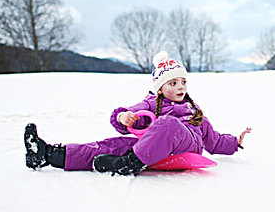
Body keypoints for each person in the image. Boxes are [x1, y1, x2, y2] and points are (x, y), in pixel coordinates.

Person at [24, 51, 252, 175]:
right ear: (160, 88)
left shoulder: (193, 112)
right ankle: (47, 155)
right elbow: (128, 113)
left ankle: (126, 164)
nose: (180, 87)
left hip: (186, 145)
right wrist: (124, 117)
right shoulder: (151, 103)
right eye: (172, 83)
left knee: (167, 125)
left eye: (182, 81)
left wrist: (234, 142)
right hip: (151, 150)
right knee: (110, 145)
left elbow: (214, 141)